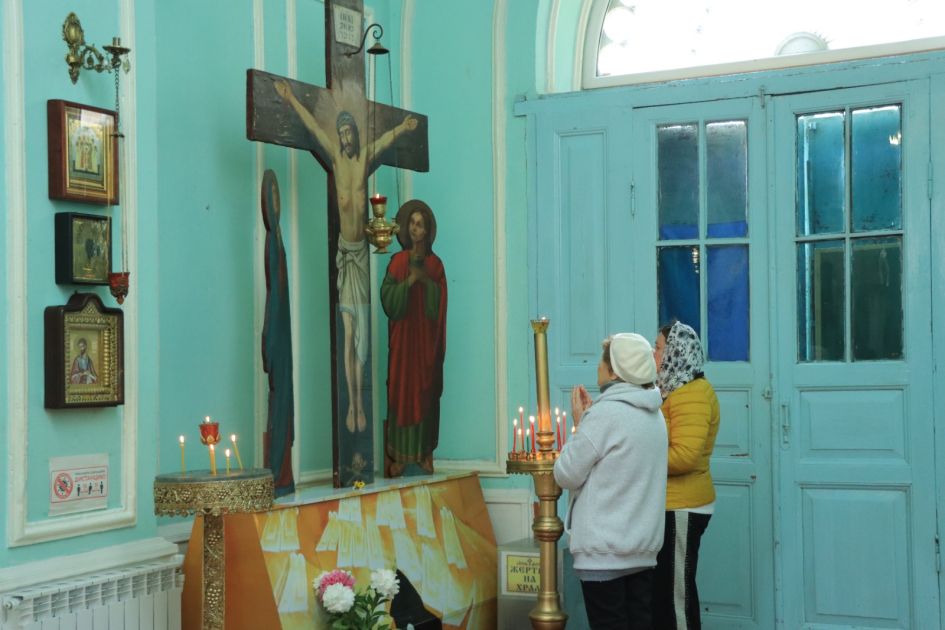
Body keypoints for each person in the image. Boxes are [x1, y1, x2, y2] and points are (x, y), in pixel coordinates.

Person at [273, 78, 419, 435]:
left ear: (354, 132)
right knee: (348, 332)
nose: (346, 138)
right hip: (346, 256)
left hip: (362, 256)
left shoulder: (364, 159)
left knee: (361, 342)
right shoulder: (335, 160)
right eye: (341, 134)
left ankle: (359, 402)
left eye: (349, 133)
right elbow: (310, 126)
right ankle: (352, 405)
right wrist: (291, 98)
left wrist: (401, 127)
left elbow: (384, 142)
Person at [554, 333, 668, 629]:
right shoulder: (655, 416)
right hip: (642, 550)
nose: (597, 368)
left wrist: (580, 424)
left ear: (615, 370)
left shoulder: (605, 414)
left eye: (601, 363)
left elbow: (565, 473)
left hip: (604, 554)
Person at [651, 321, 721, 630]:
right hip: (673, 506)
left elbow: (685, 456)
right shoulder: (673, 389)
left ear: (675, 353)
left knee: (677, 598)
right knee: (666, 592)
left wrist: (640, 460)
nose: (653, 353)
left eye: (658, 347)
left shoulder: (691, 392)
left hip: (683, 507)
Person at [380, 200, 447, 477]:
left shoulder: (435, 265)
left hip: (425, 345)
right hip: (403, 343)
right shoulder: (397, 262)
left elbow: (439, 304)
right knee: (400, 390)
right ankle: (397, 455)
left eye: (420, 224)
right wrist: (408, 282)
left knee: (424, 391)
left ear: (427, 230)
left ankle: (423, 454)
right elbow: (388, 299)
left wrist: (426, 281)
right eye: (412, 223)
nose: (415, 229)